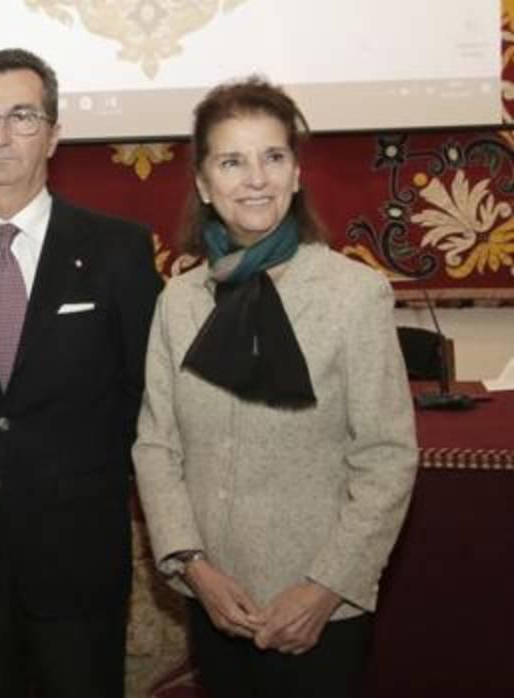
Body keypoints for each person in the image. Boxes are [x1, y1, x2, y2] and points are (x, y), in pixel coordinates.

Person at [132, 76, 419, 698]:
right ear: (205, 186)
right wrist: (195, 569)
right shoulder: (178, 302)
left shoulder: (354, 296)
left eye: (273, 157)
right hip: (215, 606)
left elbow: (387, 458)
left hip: (320, 612)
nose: (255, 178)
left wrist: (324, 588)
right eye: (232, 161)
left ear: (296, 175)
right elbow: (157, 446)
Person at [0, 48, 163, 697]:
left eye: (21, 115)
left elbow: (144, 392)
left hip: (78, 556)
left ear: (53, 132)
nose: (0, 134)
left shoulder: (118, 249)